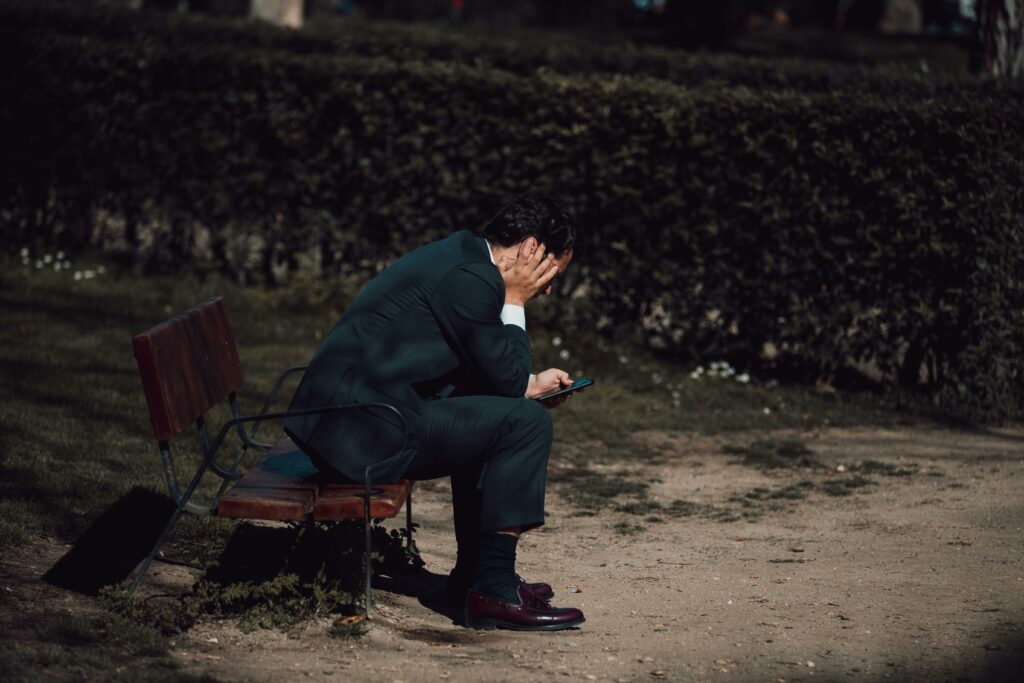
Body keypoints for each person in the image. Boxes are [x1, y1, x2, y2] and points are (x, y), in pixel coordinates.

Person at [283, 193, 584, 631]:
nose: (551, 286)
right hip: (362, 433)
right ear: (531, 248)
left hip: (355, 418)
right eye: (554, 270)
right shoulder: (473, 278)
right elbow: (506, 375)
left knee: (505, 414)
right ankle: (493, 588)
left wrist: (527, 385)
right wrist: (514, 302)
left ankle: (475, 578)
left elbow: (501, 375)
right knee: (525, 422)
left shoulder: (464, 257)